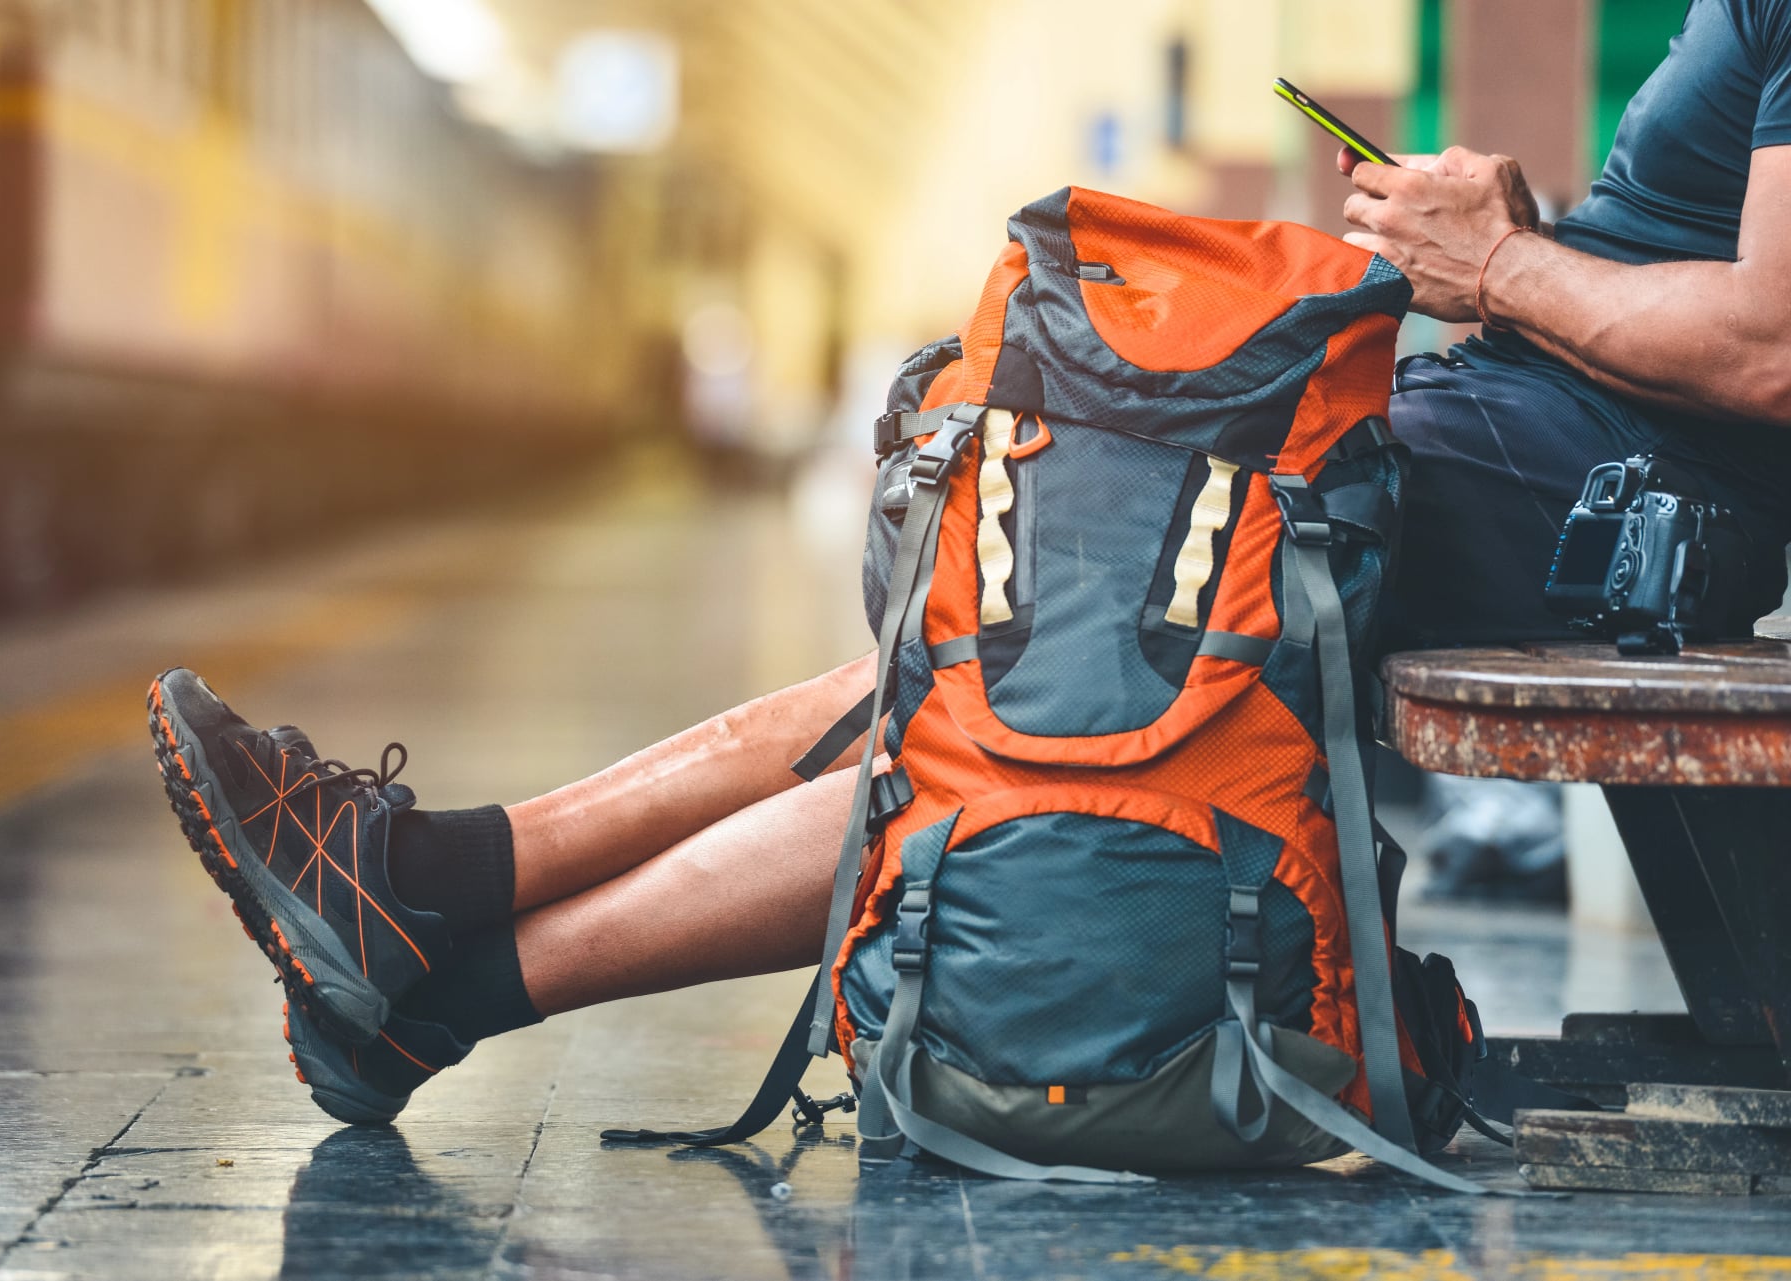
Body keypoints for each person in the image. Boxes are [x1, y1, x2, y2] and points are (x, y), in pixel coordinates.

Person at [150, 0, 1791, 1124]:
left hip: (1606, 502)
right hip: (1537, 439)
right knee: (992, 645)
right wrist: (1527, 243)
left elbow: (1770, 349)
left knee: (1022, 659)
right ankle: (429, 930)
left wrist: (1500, 267)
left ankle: (432, 921)